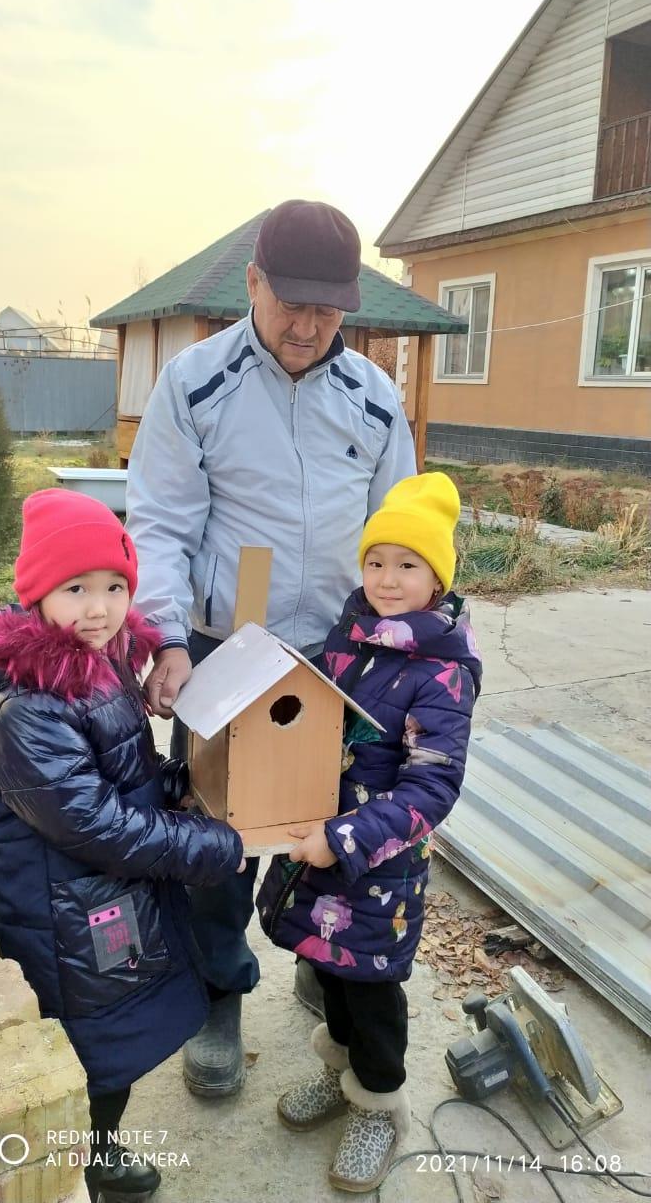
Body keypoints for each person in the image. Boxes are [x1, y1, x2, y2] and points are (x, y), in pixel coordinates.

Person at [125, 198, 417, 1098]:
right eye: (292, 304)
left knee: (331, 824)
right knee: (220, 837)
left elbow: (400, 527)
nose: (307, 327)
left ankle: (323, 960)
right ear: (252, 283)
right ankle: (219, 992)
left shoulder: (374, 397)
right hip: (226, 647)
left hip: (343, 655)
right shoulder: (194, 384)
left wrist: (413, 641)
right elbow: (161, 522)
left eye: (327, 310)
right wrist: (165, 639)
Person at [0, 489, 244, 1203]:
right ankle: (85, 1164)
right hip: (63, 912)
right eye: (75, 589)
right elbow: (93, 823)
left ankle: (95, 1151)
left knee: (112, 1046)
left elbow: (119, 776)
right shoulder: (29, 705)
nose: (99, 608)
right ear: (37, 593)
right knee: (93, 1051)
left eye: (114, 587)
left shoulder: (97, 662)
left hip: (97, 898)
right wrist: (208, 844)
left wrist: (173, 785)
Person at [255, 472, 482, 1193]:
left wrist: (346, 839)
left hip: (379, 867)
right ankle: (340, 1071)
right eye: (376, 561)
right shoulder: (347, 638)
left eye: (407, 564)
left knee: (372, 986)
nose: (387, 578)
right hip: (319, 842)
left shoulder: (442, 673)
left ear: (437, 579)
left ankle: (380, 1105)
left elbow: (432, 787)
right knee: (329, 970)